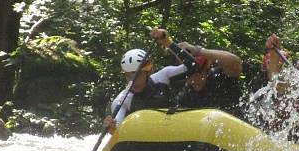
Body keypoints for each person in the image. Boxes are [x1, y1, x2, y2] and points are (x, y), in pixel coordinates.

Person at [104, 29, 244, 133]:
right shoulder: (121, 99)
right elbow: (118, 129)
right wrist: (112, 128)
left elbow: (193, 66)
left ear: (147, 72)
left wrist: (168, 43)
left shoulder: (163, 76)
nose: (134, 81)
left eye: (138, 75)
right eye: (129, 76)